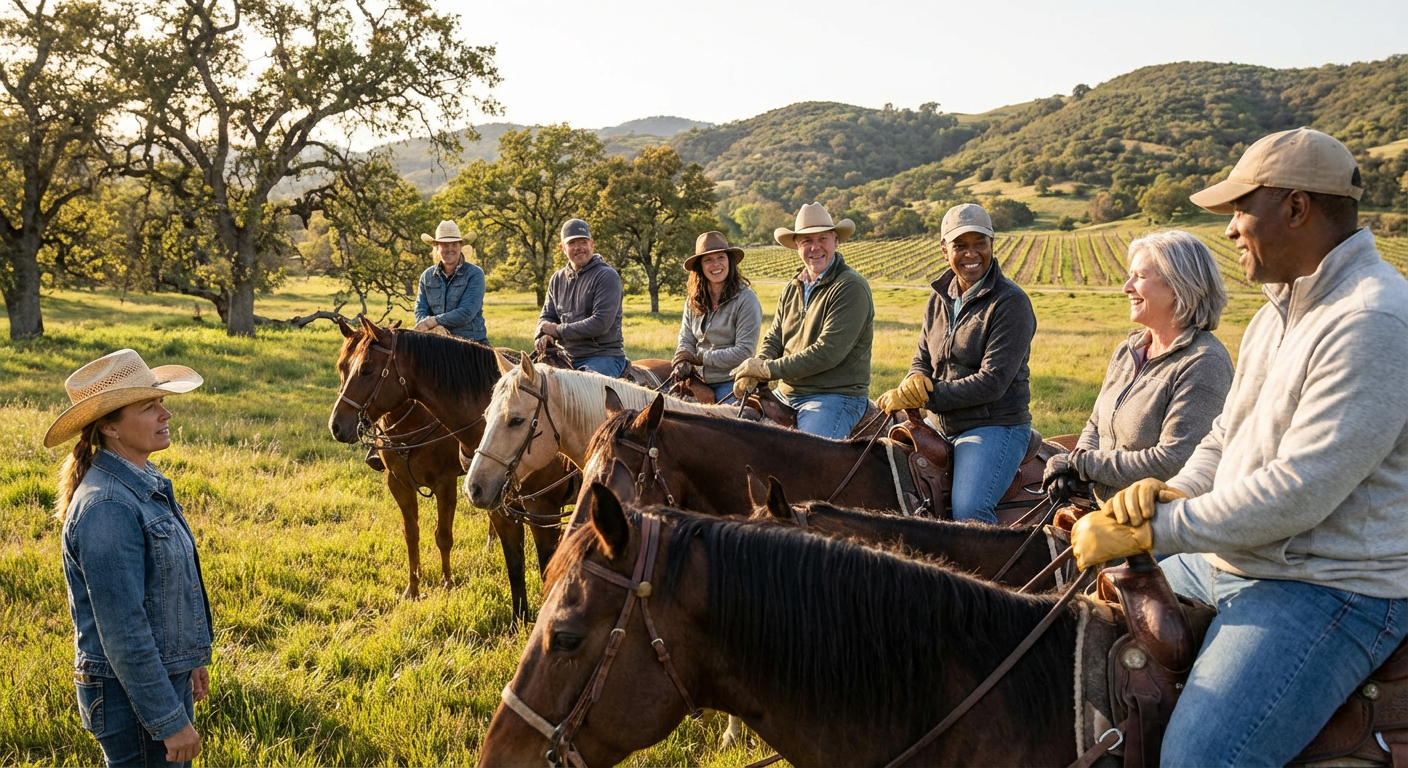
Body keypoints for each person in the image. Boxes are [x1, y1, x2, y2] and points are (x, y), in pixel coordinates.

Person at [1070, 128, 1408, 766]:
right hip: (1239, 557)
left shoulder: (1369, 319)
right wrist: (1179, 488)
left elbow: (1299, 491)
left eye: (1239, 210)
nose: (1228, 230)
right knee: (1082, 637)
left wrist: (1154, 531)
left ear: (1297, 207)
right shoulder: (1277, 311)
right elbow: (1227, 432)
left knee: (1199, 758)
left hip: (1327, 585)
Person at [45, 349, 213, 767]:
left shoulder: (142, 480)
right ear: (110, 428)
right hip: (131, 697)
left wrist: (188, 660)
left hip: (154, 679)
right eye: (149, 406)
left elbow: (162, 589)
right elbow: (123, 632)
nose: (166, 414)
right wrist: (168, 719)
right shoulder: (108, 507)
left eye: (161, 402)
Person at [1042, 230, 1233, 502]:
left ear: (1178, 286)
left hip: (1155, 523)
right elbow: (1095, 424)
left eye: (1140, 277)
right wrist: (1076, 465)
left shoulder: (1203, 362)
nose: (1127, 287)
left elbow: (1173, 461)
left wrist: (1080, 465)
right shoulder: (1127, 351)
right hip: (1103, 508)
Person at [876, 203, 1036, 523]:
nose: (971, 254)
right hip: (942, 423)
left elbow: (993, 382)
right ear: (944, 249)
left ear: (992, 245)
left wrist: (926, 396)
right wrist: (914, 380)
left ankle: (988, 571)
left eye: (980, 243)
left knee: (969, 511)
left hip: (995, 425)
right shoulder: (939, 297)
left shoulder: (1010, 302)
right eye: (960, 245)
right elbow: (923, 356)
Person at [731, 203, 874, 439]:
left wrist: (766, 370)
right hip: (786, 393)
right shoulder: (793, 286)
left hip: (832, 396)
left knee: (805, 464)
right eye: (806, 241)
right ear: (797, 246)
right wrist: (757, 367)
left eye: (822, 239)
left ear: (836, 241)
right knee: (732, 438)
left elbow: (827, 352)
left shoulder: (850, 287)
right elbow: (775, 336)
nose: (815, 247)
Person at [673, 231, 763, 403]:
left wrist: (701, 358)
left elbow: (744, 351)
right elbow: (686, 338)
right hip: (697, 380)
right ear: (700, 266)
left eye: (720, 257)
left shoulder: (746, 299)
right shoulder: (693, 299)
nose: (716, 264)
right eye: (708, 260)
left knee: (724, 422)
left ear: (729, 261)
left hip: (730, 381)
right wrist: (682, 358)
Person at [534, 218, 627, 378]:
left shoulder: (606, 276)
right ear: (563, 247)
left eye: (583, 242)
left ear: (592, 244)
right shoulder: (557, 279)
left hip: (603, 356)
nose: (579, 248)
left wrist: (557, 331)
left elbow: (600, 323)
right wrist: (543, 335)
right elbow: (547, 316)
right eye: (572, 243)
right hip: (567, 355)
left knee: (580, 392)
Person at [413, 220, 488, 343]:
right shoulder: (427, 276)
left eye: (454, 244)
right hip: (435, 339)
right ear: (436, 247)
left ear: (460, 246)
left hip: (471, 342)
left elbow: (466, 312)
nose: (450, 249)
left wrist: (432, 322)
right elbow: (420, 310)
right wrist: (435, 328)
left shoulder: (474, 274)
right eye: (445, 245)